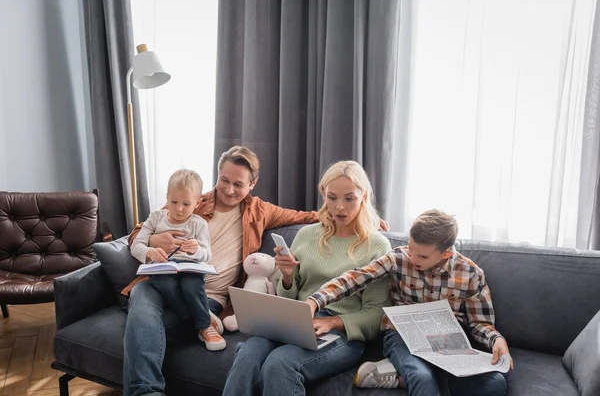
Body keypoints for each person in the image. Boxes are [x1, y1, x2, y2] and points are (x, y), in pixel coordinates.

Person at [122, 146, 320, 396]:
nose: (228, 190)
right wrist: (153, 241)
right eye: (224, 180)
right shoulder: (193, 200)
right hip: (163, 282)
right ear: (217, 175)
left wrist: (358, 216)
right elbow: (138, 233)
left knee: (143, 324)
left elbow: (304, 216)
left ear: (253, 184)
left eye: (238, 184)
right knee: (141, 294)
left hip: (208, 297)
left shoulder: (260, 211)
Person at [222, 160, 393, 396]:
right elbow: (288, 296)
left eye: (349, 198)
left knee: (280, 363)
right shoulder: (307, 235)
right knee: (248, 355)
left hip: (342, 334)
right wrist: (289, 277)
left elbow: (376, 316)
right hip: (295, 321)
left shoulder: (377, 245)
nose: (339, 207)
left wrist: (331, 323)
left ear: (363, 196)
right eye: (332, 197)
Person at [307, 209, 513, 396]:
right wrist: (315, 301)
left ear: (447, 253)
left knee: (493, 385)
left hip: (447, 342)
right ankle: (409, 375)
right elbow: (354, 278)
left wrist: (497, 340)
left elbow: (479, 323)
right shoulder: (398, 257)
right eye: (411, 248)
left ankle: (398, 377)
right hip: (401, 334)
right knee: (421, 377)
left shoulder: (470, 274)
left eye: (422, 255)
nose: (413, 257)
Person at [130, 169, 226, 351]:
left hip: (190, 268)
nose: (179, 208)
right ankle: (201, 318)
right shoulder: (155, 218)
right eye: (173, 202)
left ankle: (205, 326)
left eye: (186, 204)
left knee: (191, 286)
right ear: (167, 197)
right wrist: (150, 252)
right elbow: (136, 246)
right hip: (162, 267)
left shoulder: (199, 224)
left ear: (197, 203)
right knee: (166, 285)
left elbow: (207, 255)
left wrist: (196, 250)